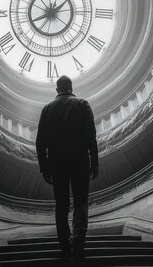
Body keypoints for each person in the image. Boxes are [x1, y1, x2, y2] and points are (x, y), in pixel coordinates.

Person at [36, 75, 99, 264]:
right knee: (81, 203)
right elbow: (91, 136)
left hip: (57, 163)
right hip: (79, 160)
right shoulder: (83, 104)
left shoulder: (47, 109)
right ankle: (79, 241)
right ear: (71, 88)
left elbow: (40, 142)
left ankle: (65, 247)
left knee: (61, 206)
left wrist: (44, 168)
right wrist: (94, 162)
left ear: (57, 90)